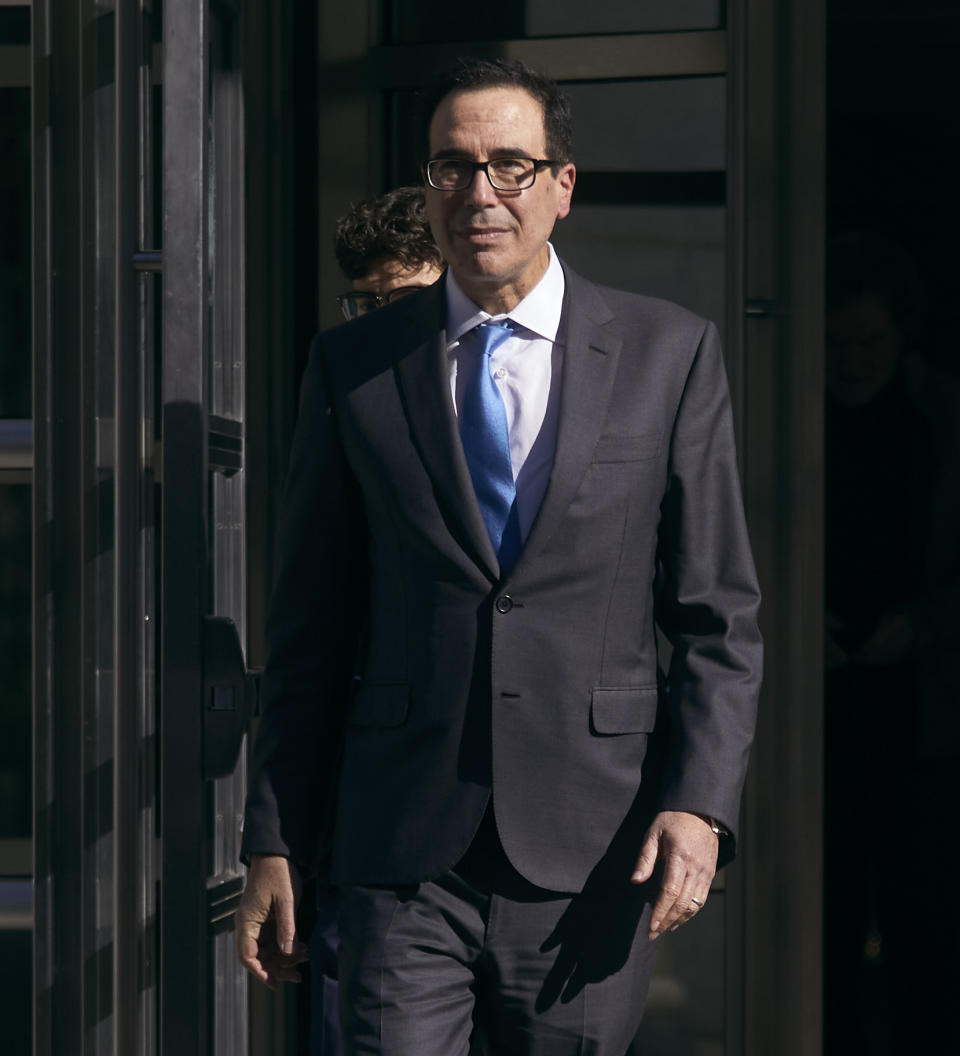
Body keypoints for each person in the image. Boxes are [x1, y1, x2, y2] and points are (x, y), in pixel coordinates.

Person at [237, 57, 762, 1055]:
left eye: (510, 167)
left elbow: (716, 616)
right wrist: (274, 836)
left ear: (563, 185)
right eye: (452, 167)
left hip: (594, 844)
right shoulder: (354, 365)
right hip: (401, 847)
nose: (479, 193)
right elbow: (310, 625)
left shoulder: (668, 354)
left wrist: (699, 804)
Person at [306, 186, 445, 1056]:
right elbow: (313, 605)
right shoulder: (345, 380)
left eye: (407, 297)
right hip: (382, 797)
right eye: (367, 300)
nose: (382, 319)